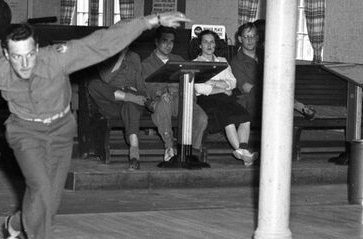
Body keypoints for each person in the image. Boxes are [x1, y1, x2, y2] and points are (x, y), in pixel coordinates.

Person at [0, 0, 190, 239]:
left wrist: (153, 20)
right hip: (25, 132)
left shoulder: (57, 58)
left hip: (60, 131)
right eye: (16, 58)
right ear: (6, 55)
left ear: (37, 50)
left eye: (29, 56)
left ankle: (13, 226)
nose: (24, 64)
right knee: (40, 189)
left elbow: (102, 42)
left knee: (49, 205)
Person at [139, 27, 209, 165]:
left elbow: (190, 80)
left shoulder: (179, 60)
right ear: (156, 42)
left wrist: (183, 93)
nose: (169, 45)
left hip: (181, 100)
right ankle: (169, 147)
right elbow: (147, 87)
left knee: (201, 117)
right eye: (165, 41)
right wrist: (162, 92)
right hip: (162, 102)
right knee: (164, 103)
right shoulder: (146, 64)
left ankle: (193, 153)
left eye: (172, 41)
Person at [229, 18, 317, 122]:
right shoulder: (236, 62)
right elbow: (246, 87)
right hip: (251, 102)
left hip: (272, 97)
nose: (249, 40)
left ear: (257, 38)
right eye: (246, 36)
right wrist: (272, 89)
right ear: (240, 39)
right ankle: (301, 109)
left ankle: (302, 108)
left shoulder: (266, 56)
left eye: (252, 36)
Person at [192, 29, 256, 165]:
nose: (209, 45)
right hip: (207, 101)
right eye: (205, 42)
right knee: (228, 119)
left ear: (215, 44)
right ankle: (243, 153)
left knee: (245, 117)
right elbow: (200, 88)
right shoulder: (195, 63)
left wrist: (212, 82)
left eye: (212, 42)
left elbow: (233, 82)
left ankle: (242, 150)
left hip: (226, 98)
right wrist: (222, 87)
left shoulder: (222, 61)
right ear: (200, 45)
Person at [85, 49, 148, 170]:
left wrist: (138, 93)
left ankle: (134, 154)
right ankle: (128, 97)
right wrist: (121, 55)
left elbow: (141, 87)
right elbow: (106, 79)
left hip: (134, 100)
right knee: (94, 85)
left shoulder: (135, 56)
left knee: (131, 104)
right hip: (113, 100)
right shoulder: (105, 54)